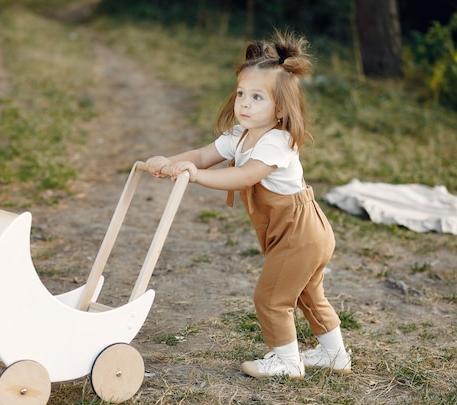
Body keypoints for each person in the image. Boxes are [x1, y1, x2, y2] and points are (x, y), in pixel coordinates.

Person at [145, 30, 351, 379]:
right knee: (307, 295)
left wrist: (195, 176)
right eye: (241, 93)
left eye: (257, 97)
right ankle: (335, 356)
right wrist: (171, 161)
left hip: (299, 234)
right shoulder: (239, 135)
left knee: (271, 297)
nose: (244, 103)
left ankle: (287, 361)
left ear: (281, 108)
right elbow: (203, 155)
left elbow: (244, 177)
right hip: (295, 232)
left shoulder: (277, 142)